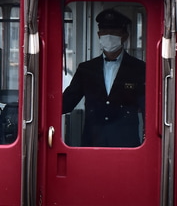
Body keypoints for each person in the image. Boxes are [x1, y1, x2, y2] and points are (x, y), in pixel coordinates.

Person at [61, 8, 146, 147]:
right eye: (105, 33)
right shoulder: (86, 69)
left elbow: (147, 107)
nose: (108, 36)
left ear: (124, 36)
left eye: (113, 33)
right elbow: (67, 101)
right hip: (93, 141)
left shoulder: (139, 68)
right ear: (99, 35)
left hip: (127, 144)